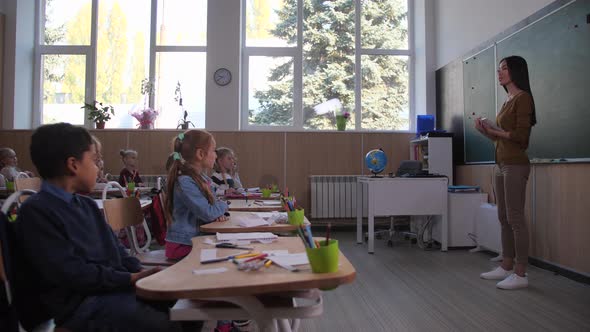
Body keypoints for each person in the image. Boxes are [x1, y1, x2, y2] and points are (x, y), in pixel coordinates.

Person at [13, 123, 182, 331]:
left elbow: (117, 250)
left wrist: (141, 272)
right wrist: (130, 278)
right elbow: (72, 273)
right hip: (81, 305)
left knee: (186, 305)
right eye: (94, 160)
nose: (99, 167)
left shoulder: (86, 205)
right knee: (163, 325)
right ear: (73, 165)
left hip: (113, 290)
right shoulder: (37, 212)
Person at [476, 55, 536, 290]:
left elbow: (521, 138)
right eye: (498, 69)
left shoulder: (523, 98)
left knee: (515, 218)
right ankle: (506, 265)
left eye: (504, 69)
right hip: (501, 163)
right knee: (503, 217)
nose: (499, 73)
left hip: (515, 164)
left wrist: (496, 130)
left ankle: (521, 273)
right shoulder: (507, 100)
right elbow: (499, 139)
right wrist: (485, 130)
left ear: (516, 71)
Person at [164, 130, 229, 260]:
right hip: (183, 245)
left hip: (195, 240)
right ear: (200, 154)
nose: (215, 155)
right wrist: (224, 206)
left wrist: (217, 213)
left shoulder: (201, 178)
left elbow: (211, 209)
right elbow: (209, 212)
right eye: (213, 150)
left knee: (231, 250)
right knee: (228, 254)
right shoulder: (185, 181)